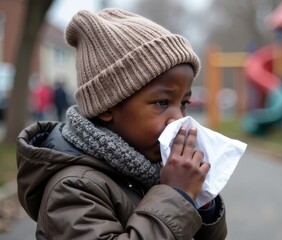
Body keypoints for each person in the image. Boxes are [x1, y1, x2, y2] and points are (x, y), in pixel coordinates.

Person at [16, 8, 227, 239]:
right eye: (162, 102)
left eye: (184, 103)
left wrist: (200, 200)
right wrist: (176, 195)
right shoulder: (73, 187)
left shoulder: (151, 165)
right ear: (107, 106)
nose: (179, 118)